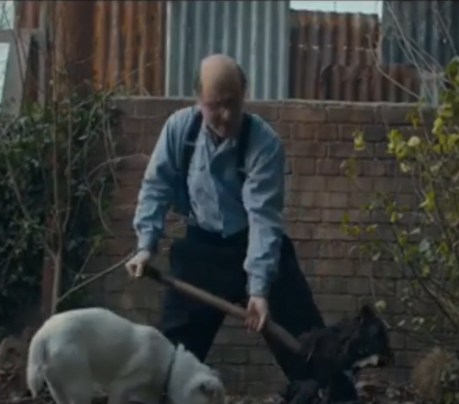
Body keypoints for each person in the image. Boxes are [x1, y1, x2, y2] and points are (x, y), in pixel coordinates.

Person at [124, 54, 324, 384]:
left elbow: (263, 218)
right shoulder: (179, 130)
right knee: (172, 358)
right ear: (198, 100)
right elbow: (156, 187)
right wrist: (146, 245)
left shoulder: (264, 143)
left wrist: (258, 290)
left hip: (253, 243)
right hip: (202, 251)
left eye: (233, 102)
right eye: (215, 105)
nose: (226, 115)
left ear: (245, 91)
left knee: (307, 342)